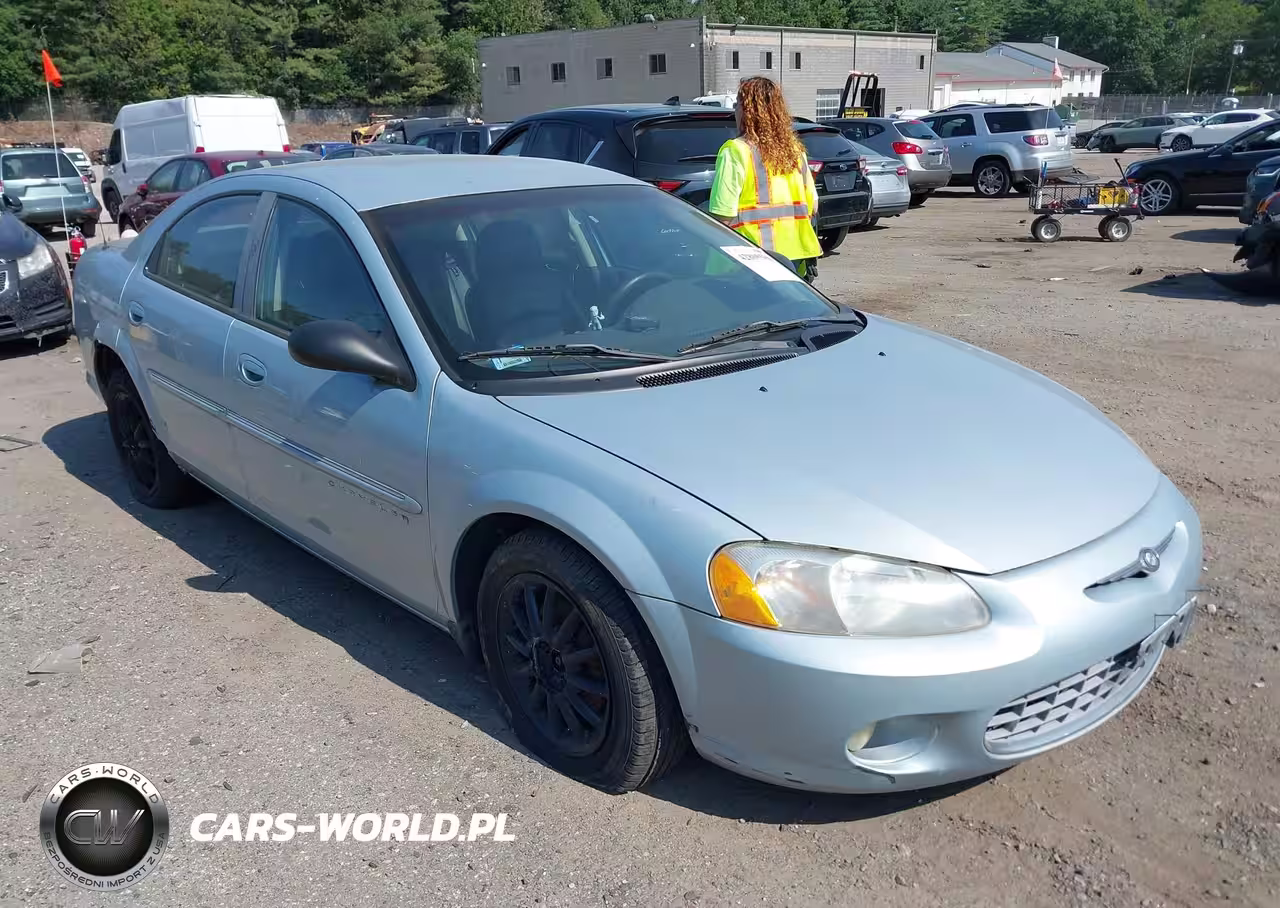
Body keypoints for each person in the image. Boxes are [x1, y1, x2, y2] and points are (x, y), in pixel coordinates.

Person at [708, 76, 822, 283]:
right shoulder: (796, 151)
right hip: (796, 257)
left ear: (748, 110)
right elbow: (812, 206)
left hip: (748, 260)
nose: (735, 110)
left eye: (737, 104)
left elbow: (721, 215)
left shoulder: (736, 150)